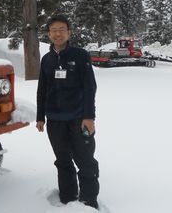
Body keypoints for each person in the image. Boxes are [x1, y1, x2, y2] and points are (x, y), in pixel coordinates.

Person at [36, 14, 100, 209]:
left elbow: (90, 87)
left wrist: (89, 117)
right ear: (49, 33)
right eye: (54, 30)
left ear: (69, 32)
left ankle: (88, 201)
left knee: (85, 160)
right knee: (62, 161)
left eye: (61, 29)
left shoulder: (80, 56)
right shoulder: (47, 59)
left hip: (79, 118)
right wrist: (40, 117)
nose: (58, 33)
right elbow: (42, 89)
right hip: (54, 120)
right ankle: (68, 198)